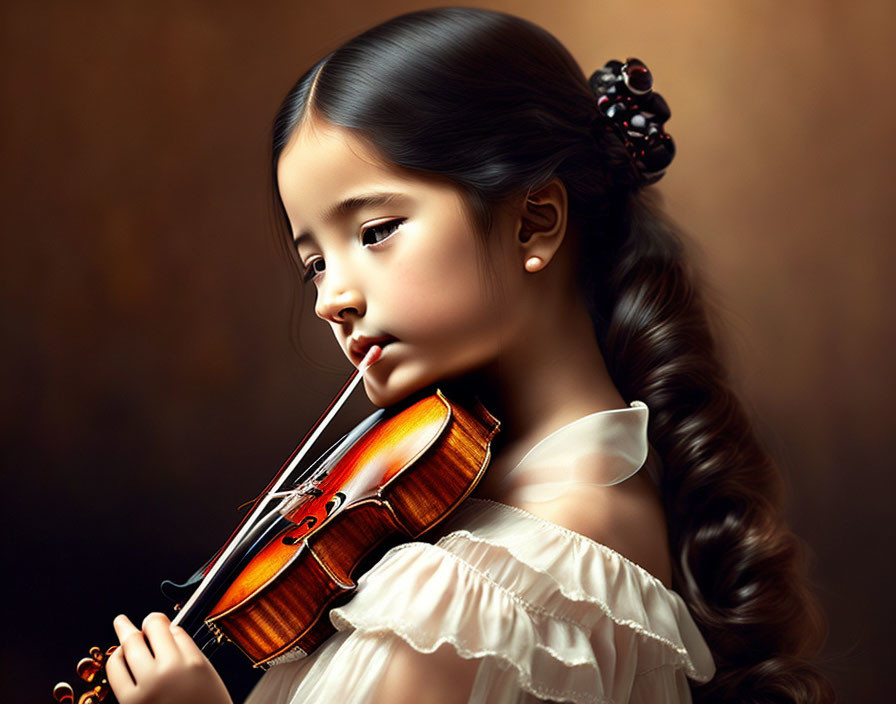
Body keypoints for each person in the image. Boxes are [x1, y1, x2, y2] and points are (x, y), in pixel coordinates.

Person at [103, 7, 836, 704]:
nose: (331, 299)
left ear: (534, 224)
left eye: (375, 231)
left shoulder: (493, 577)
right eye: (314, 264)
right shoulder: (548, 500)